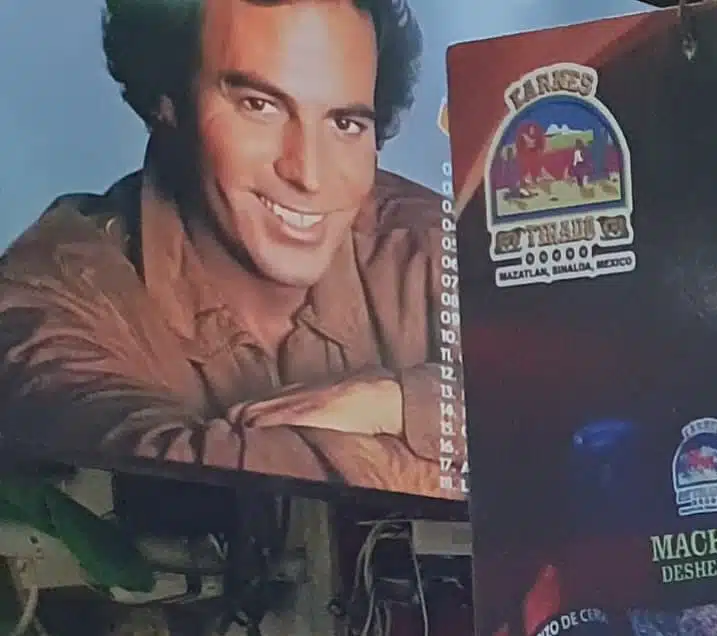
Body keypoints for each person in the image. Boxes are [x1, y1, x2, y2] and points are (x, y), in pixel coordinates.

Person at [0, 0, 445, 492]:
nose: (309, 175)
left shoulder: (427, 245)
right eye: (260, 105)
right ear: (166, 101)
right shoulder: (48, 295)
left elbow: (548, 404)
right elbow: (169, 477)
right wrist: (465, 427)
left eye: (345, 123)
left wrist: (400, 403)